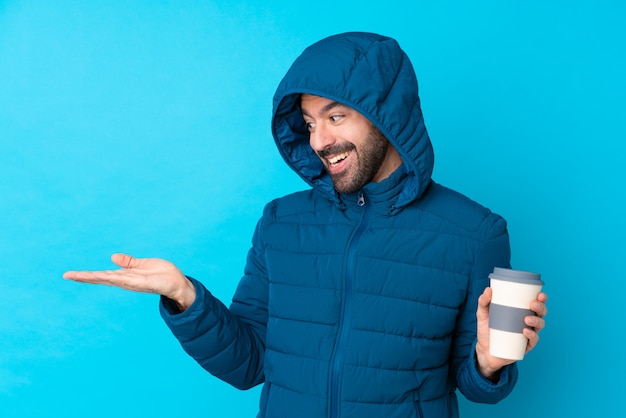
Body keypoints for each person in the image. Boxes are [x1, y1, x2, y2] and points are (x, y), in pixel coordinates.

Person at [64, 32, 548, 418]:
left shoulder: (473, 233)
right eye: (310, 122)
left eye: (336, 116)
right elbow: (250, 362)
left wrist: (487, 363)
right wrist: (184, 296)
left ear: (388, 116)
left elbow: (479, 389)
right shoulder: (281, 222)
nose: (320, 140)